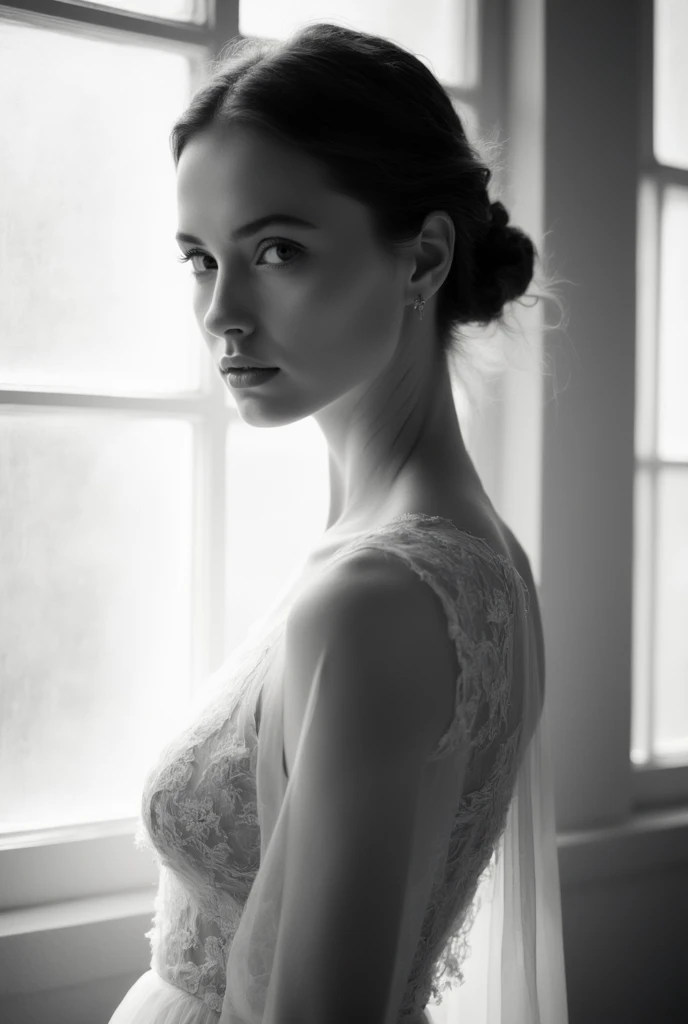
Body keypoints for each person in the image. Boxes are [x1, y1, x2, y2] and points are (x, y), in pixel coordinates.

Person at [108, 21, 568, 1024]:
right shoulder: (469, 555)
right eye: (198, 258)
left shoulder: (379, 596)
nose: (221, 312)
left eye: (276, 249)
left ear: (423, 257)